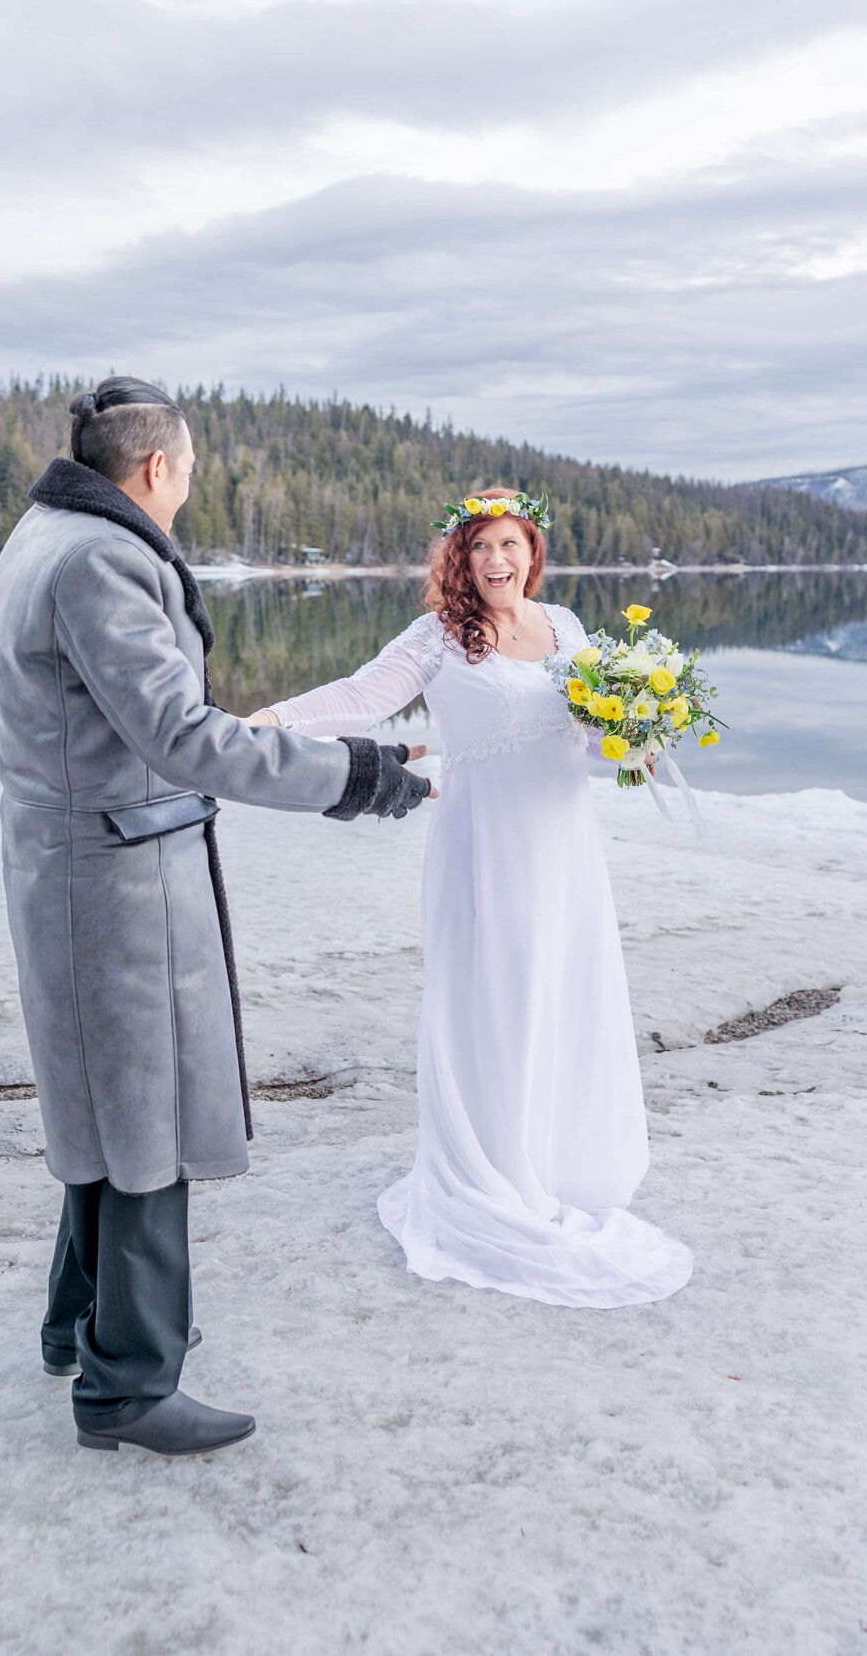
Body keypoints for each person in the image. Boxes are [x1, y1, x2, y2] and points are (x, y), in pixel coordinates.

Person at [0, 376, 433, 1458]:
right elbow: (183, 738)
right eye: (190, 465)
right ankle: (128, 1383)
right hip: (112, 876)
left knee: (102, 1096)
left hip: (87, 859)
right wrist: (352, 773)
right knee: (142, 1111)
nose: (191, 480)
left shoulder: (44, 533)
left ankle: (75, 1327)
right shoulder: (98, 559)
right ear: (154, 469)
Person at [247, 489, 692, 1309]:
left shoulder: (567, 629)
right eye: (481, 547)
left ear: (533, 551)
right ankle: (494, 1170)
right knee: (497, 997)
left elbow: (589, 734)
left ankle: (559, 1159)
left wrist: (638, 730)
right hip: (486, 846)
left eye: (511, 545)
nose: (497, 561)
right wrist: (265, 721)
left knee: (563, 992)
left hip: (564, 846)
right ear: (460, 557)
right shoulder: (439, 636)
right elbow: (359, 696)